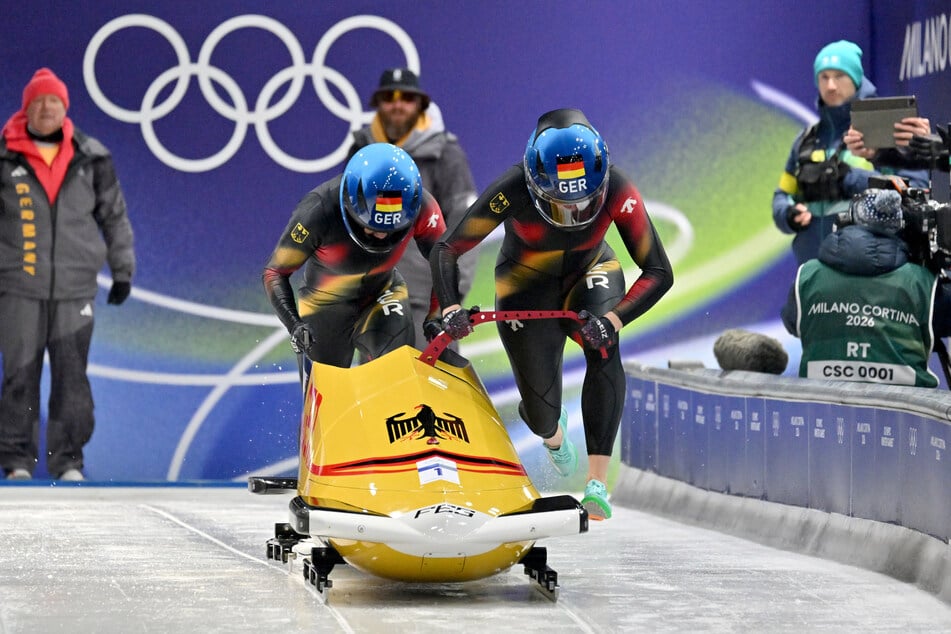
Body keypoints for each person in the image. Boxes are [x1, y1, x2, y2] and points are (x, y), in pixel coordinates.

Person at [429, 108, 674, 520]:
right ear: (535, 183)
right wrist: (451, 306)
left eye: (584, 203)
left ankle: (596, 483)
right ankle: (554, 436)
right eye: (560, 204)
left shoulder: (616, 186)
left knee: (603, 346)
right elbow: (447, 249)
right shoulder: (513, 187)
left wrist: (612, 320)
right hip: (525, 285)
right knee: (541, 414)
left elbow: (659, 271)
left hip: (591, 271)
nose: (573, 213)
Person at [0, 68, 136, 481]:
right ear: (26, 107)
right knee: (19, 375)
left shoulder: (92, 157)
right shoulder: (5, 156)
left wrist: (123, 269)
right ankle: (16, 461)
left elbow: (114, 216)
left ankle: (67, 462)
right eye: (38, 101)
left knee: (72, 378)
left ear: (65, 107)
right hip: (18, 285)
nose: (46, 108)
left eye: (53, 101)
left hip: (75, 287)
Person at [262, 142, 446, 369]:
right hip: (323, 308)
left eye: (393, 228)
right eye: (371, 226)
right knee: (331, 399)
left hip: (383, 294)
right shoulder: (317, 211)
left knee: (395, 372)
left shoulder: (423, 207)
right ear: (349, 205)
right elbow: (275, 272)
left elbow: (445, 259)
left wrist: (436, 314)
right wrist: (295, 324)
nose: (381, 236)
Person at [347, 69, 479, 350]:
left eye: (406, 97)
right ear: (378, 104)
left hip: (424, 303)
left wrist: (449, 301)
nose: (397, 104)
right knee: (375, 390)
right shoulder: (360, 153)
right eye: (388, 97)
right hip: (371, 298)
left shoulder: (446, 154)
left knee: (435, 387)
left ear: (420, 105)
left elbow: (467, 230)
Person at [772, 40, 929, 265]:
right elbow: (782, 195)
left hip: (869, 272)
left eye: (839, 76)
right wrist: (787, 215)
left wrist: (849, 180)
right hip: (812, 271)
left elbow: (914, 193)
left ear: (856, 80)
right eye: (824, 77)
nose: (831, 86)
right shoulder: (804, 141)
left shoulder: (890, 128)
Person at [781, 189, 951, 387]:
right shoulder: (921, 283)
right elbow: (945, 323)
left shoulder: (808, 275)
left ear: (846, 221)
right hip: (904, 412)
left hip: (822, 405)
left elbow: (793, 322)